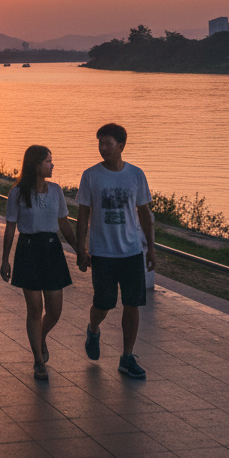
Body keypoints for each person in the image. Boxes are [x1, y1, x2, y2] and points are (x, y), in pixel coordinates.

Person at [75, 122, 155, 380]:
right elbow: (83, 215)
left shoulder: (136, 174)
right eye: (100, 143)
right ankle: (93, 329)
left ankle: (127, 357)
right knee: (104, 303)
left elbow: (144, 213)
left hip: (131, 251)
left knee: (132, 305)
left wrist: (150, 248)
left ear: (121, 145)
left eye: (107, 143)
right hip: (102, 253)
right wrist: (81, 250)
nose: (103, 148)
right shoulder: (91, 175)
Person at [0, 145, 79, 381]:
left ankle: (41, 337)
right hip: (28, 250)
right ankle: (38, 361)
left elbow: (64, 224)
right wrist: (5, 260)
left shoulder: (56, 191)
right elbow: (10, 228)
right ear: (36, 166)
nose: (52, 165)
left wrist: (80, 251)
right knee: (34, 310)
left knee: (54, 311)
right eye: (48, 161)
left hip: (52, 249)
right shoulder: (17, 193)